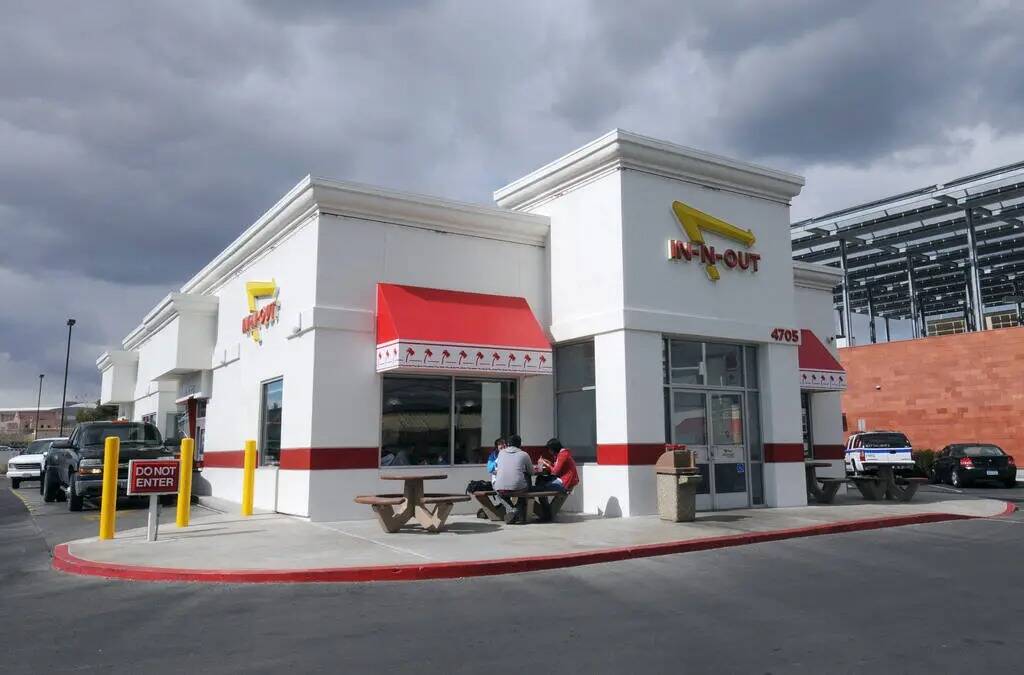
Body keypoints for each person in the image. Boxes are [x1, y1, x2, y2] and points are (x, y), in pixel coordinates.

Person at [493, 434, 534, 524]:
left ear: (508, 444)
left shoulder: (501, 453)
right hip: (519, 489)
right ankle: (517, 511)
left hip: (500, 489)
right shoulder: (524, 454)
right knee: (525, 486)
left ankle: (512, 510)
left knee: (499, 492)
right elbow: (532, 472)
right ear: (520, 444)